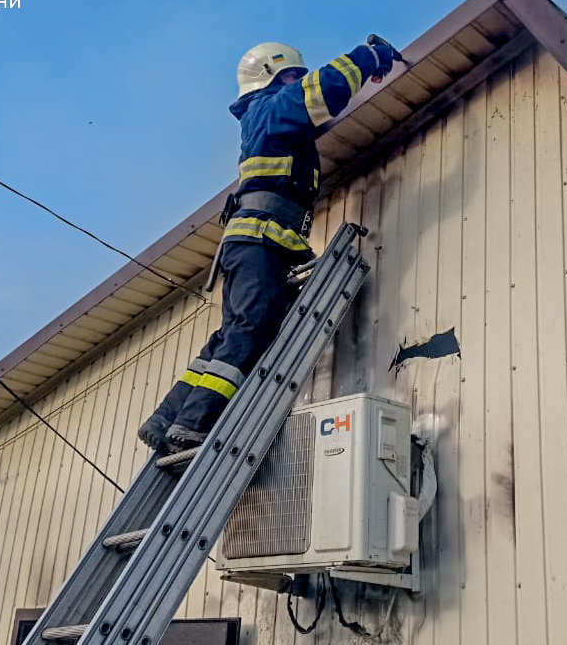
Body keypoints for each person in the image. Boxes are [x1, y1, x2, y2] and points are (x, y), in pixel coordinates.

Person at [138, 39, 396, 453]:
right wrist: (369, 58)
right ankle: (193, 425)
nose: (299, 81)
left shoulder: (266, 118)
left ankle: (168, 415)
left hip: (261, 241)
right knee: (254, 326)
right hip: (262, 240)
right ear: (269, 78)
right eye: (292, 75)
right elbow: (323, 90)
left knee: (234, 332)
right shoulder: (271, 109)